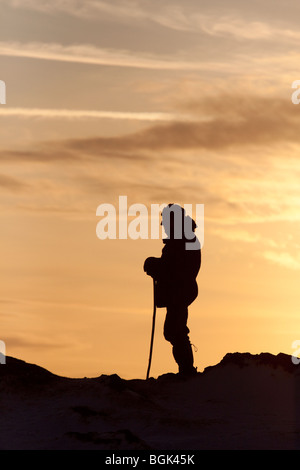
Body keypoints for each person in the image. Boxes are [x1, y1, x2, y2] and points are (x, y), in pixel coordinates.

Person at [143, 204, 201, 377]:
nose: (163, 226)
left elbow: (176, 268)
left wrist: (155, 265)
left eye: (165, 222)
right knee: (174, 330)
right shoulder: (182, 239)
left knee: (175, 330)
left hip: (180, 292)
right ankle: (185, 369)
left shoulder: (182, 240)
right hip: (179, 291)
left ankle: (187, 370)